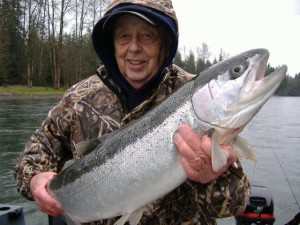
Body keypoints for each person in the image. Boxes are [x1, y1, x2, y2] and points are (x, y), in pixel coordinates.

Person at [14, 0, 250, 224]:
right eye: (124, 36)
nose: (134, 48)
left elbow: (234, 205)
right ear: (111, 43)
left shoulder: (200, 99)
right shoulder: (78, 98)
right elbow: (33, 155)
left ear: (165, 43)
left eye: (147, 36)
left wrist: (214, 175)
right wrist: (35, 180)